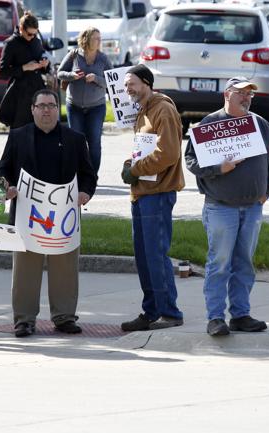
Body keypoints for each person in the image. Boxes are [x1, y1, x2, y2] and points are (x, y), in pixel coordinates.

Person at [185, 76, 269, 336]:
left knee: (244, 264)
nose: (247, 97)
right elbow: (192, 161)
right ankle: (215, 318)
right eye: (241, 93)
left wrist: (267, 192)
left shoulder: (260, 125)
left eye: (250, 94)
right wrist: (219, 168)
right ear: (227, 95)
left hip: (252, 208)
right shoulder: (210, 125)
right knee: (220, 263)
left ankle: (240, 314)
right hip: (220, 207)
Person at [0, 89, 98, 337]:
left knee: (64, 268)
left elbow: (88, 174)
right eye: (41, 105)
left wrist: (85, 193)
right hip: (27, 217)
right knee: (25, 270)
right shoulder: (18, 136)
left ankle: (64, 317)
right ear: (32, 109)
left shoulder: (75, 138)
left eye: (51, 105)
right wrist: (6, 187)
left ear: (58, 109)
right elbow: (3, 170)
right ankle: (24, 319)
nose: (46, 110)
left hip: (63, 217)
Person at [119, 64, 185, 332]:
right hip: (142, 193)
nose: (128, 89)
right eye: (125, 85)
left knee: (155, 255)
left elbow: (168, 153)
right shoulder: (143, 111)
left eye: (131, 84)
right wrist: (130, 164)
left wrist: (135, 170)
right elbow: (144, 150)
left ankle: (169, 312)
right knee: (144, 257)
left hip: (157, 194)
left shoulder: (163, 110)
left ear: (147, 82)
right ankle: (151, 311)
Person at [57, 26, 112, 173]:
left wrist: (96, 79)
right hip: (74, 106)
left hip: (97, 107)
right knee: (75, 142)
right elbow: (59, 73)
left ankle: (92, 176)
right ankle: (76, 174)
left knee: (94, 143)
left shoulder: (103, 58)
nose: (99, 41)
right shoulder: (74, 55)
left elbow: (112, 81)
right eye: (96, 38)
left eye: (100, 38)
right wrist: (71, 76)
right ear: (86, 39)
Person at [0, 11, 49, 129]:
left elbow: (42, 58)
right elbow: (3, 72)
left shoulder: (36, 41)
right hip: (19, 94)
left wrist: (44, 64)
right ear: (21, 28)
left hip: (37, 90)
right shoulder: (11, 43)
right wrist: (24, 68)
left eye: (35, 34)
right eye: (29, 34)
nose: (32, 37)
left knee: (39, 129)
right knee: (19, 131)